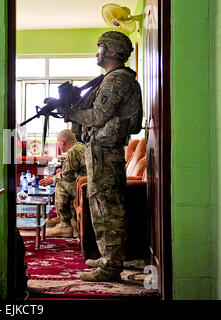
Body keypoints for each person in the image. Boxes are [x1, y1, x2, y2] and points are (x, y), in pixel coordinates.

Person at [58, 31, 143, 282]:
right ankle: (110, 257)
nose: (98, 52)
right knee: (101, 207)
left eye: (102, 47)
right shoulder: (110, 79)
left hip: (105, 153)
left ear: (114, 51)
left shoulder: (116, 81)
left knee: (107, 209)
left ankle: (110, 266)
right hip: (100, 153)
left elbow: (97, 117)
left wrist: (70, 113)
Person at [39, 129, 86, 238]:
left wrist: (51, 179)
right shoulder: (80, 146)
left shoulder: (73, 151)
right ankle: (68, 220)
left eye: (58, 142)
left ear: (63, 142)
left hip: (85, 187)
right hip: (85, 183)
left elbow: (67, 175)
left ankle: (65, 225)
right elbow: (71, 172)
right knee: (62, 181)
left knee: (61, 184)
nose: (58, 145)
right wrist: (61, 173)